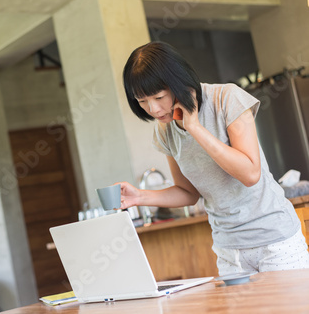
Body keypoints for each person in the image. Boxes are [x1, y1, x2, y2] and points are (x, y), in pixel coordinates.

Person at [118, 41, 309, 276]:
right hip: (229, 250)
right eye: (142, 101)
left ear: (178, 82)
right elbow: (188, 193)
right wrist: (140, 197)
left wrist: (195, 128)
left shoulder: (226, 98)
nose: (154, 109)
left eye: (158, 97)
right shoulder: (164, 130)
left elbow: (250, 174)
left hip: (275, 241)